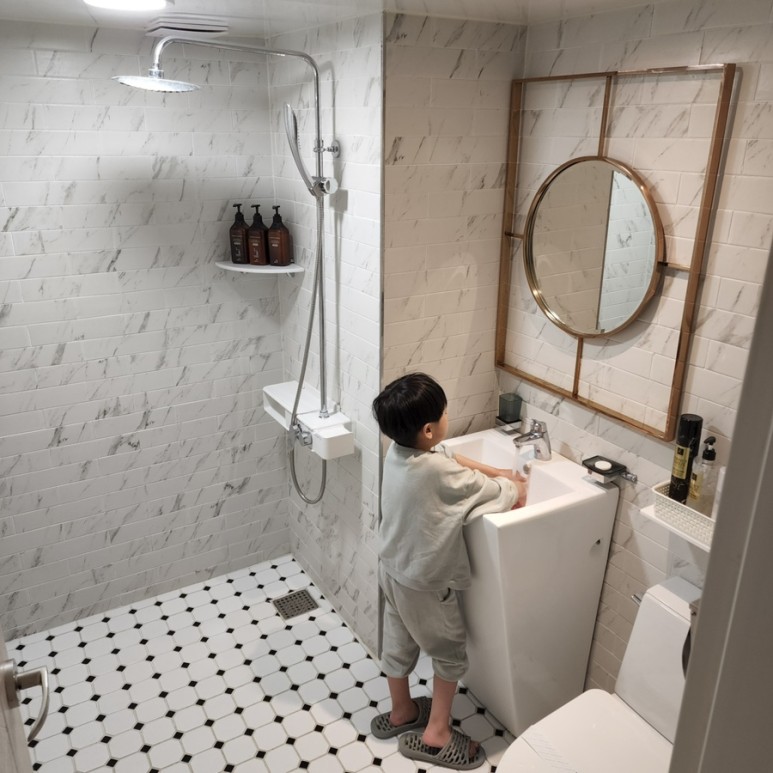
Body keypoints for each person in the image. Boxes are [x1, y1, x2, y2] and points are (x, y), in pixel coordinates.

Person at [370, 372, 526, 770]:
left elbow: (448, 457)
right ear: (428, 429)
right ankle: (437, 733)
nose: (446, 417)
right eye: (443, 414)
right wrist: (514, 485)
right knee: (449, 654)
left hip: (393, 569)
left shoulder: (400, 452)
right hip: (426, 585)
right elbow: (496, 494)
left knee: (398, 643)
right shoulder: (436, 474)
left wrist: (498, 470)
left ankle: (402, 712)